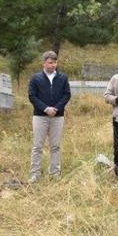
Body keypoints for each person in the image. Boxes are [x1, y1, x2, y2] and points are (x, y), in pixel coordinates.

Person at [27, 50, 71, 183]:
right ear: (44, 63)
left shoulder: (62, 78)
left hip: (57, 116)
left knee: (55, 146)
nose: (53, 65)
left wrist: (56, 108)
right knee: (37, 146)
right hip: (40, 116)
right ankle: (35, 174)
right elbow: (32, 96)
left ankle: (55, 173)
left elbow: (67, 95)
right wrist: (45, 108)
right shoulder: (36, 78)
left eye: (55, 62)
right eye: (50, 63)